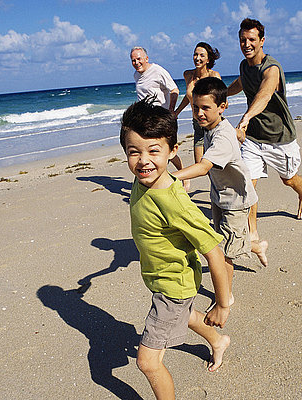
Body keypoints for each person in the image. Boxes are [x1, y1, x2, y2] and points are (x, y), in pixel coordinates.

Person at [120, 98, 231, 399]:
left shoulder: (175, 202)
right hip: (163, 279)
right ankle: (218, 342)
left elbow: (214, 252)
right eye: (134, 152)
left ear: (172, 152)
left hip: (173, 286)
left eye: (154, 151)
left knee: (147, 362)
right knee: (186, 315)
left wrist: (222, 304)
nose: (143, 160)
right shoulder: (142, 180)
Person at [173, 77, 268, 298]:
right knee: (224, 243)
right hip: (219, 196)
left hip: (236, 201)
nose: (199, 113)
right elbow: (232, 134)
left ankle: (226, 297)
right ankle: (257, 246)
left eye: (206, 108)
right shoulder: (213, 127)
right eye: (196, 107)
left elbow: (204, 167)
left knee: (224, 254)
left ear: (222, 107)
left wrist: (171, 177)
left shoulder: (222, 136)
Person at [227, 18, 302, 243]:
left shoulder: (272, 68)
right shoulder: (244, 66)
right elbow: (241, 82)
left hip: (280, 137)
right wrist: (222, 94)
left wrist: (246, 117)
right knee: (247, 183)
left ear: (262, 41)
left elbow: (264, 94)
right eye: (242, 40)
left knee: (289, 179)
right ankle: (252, 231)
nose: (247, 44)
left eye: (251, 39)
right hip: (254, 138)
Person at [130, 46, 186, 185]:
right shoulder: (136, 75)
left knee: (167, 150)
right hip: (146, 120)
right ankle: (156, 180)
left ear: (146, 58)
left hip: (162, 118)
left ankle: (184, 175)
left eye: (139, 59)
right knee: (151, 151)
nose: (136, 63)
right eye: (133, 60)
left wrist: (171, 110)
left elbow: (174, 89)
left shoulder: (158, 71)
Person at [173, 42, 222, 163]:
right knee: (199, 163)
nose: (197, 58)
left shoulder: (214, 76)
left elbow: (222, 100)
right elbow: (189, 97)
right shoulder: (188, 75)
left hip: (212, 124)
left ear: (208, 59)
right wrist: (176, 112)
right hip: (197, 123)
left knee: (214, 163)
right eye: (195, 54)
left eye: (201, 55)